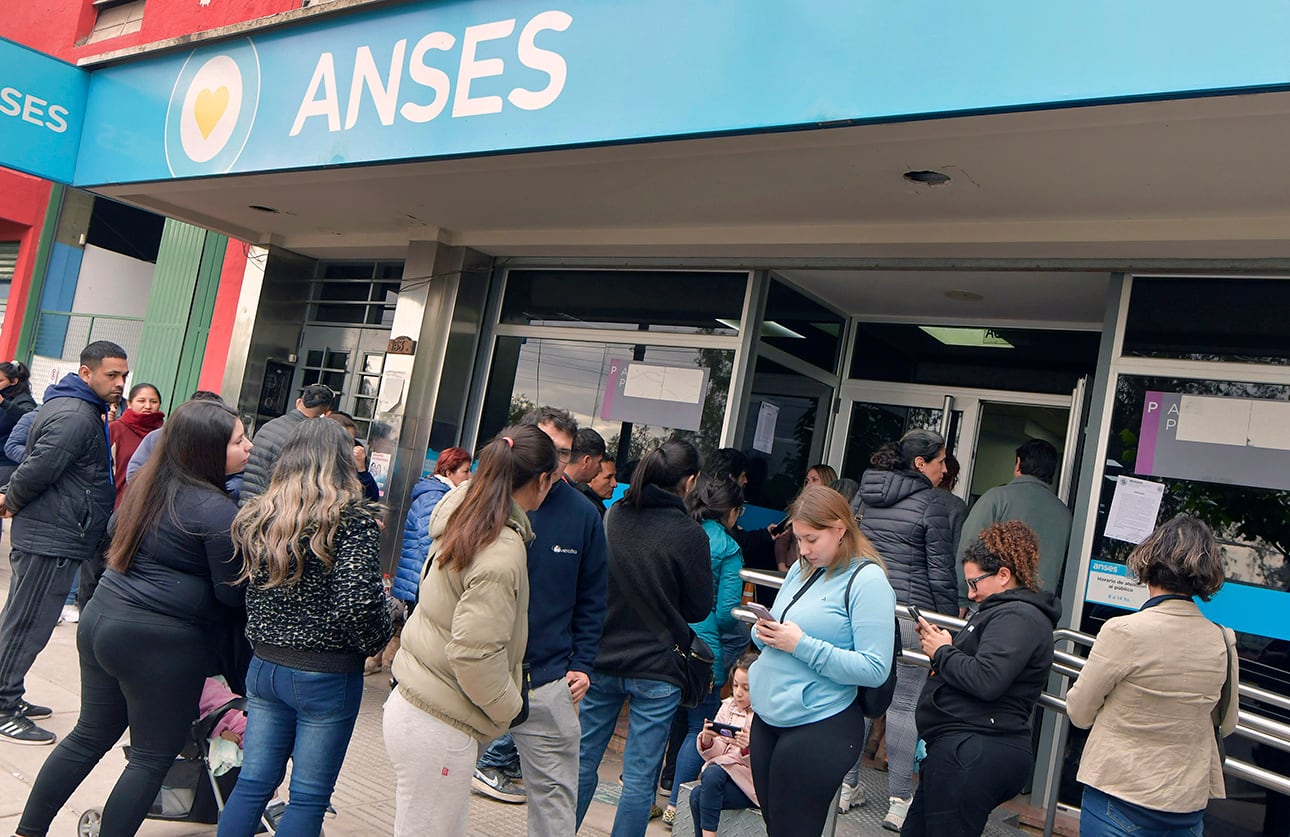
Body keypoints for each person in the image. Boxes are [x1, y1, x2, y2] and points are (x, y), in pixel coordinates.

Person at [15, 399, 251, 836]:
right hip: (158, 643)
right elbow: (231, 596)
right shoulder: (217, 512)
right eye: (238, 441)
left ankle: (28, 831)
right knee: (150, 758)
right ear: (207, 449)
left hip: (103, 622)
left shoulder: (148, 486)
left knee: (88, 735)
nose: (249, 448)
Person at [217, 418, 393, 836]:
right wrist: (377, 639)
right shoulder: (351, 519)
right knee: (309, 797)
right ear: (341, 462)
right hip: (325, 673)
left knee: (254, 782)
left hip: (265, 665)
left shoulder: (257, 514)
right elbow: (356, 601)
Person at [383, 425, 559, 837]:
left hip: (418, 706)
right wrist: (508, 708)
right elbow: (473, 653)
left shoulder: (466, 510)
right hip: (439, 721)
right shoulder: (501, 547)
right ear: (542, 480)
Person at [469, 406, 609, 837]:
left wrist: (582, 663)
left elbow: (593, 597)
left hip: (545, 679)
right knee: (442, 785)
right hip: (474, 672)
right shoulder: (478, 501)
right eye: (547, 449)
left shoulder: (584, 515)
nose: (554, 463)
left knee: (555, 803)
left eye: (564, 454)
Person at [1067, 515, 1238, 837]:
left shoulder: (1123, 631)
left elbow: (1079, 712)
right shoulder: (1222, 639)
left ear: (1149, 563)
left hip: (1120, 794)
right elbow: (1226, 724)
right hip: (1186, 802)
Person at [575, 439, 713, 837]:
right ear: (690, 481)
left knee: (582, 761)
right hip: (658, 667)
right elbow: (698, 609)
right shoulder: (690, 535)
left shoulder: (616, 514)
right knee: (639, 778)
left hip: (601, 657)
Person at [748, 485, 895, 837]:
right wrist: (765, 633)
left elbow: (875, 668)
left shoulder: (868, 579)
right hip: (771, 714)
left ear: (840, 529)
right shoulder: (804, 569)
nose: (804, 549)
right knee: (776, 827)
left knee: (792, 829)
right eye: (799, 539)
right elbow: (781, 632)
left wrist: (801, 645)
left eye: (812, 539)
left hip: (821, 720)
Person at [0, 340, 128, 745]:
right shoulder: (75, 414)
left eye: (124, 375)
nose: (120, 383)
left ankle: (8, 694)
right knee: (28, 624)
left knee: (21, 619)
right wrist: (11, 500)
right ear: (86, 373)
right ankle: (2, 706)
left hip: (53, 532)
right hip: (50, 537)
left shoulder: (77, 407)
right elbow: (38, 468)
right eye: (112, 375)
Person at [904, 521, 1061, 837]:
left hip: (975, 749)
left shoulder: (1018, 616)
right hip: (964, 747)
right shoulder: (1008, 613)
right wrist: (946, 646)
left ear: (1004, 575)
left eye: (975, 583)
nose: (972, 594)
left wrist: (943, 651)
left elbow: (987, 679)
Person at [851, 428, 957, 830]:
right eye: (941, 461)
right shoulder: (931, 504)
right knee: (903, 705)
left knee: (861, 694)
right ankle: (898, 801)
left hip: (866, 608)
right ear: (919, 463)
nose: (945, 470)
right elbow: (941, 573)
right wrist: (947, 629)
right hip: (912, 614)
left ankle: (846, 786)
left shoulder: (865, 492)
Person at [662, 476, 747, 825]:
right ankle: (673, 804)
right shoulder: (728, 547)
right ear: (733, 512)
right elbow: (728, 613)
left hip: (665, 637)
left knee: (667, 717)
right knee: (702, 724)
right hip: (702, 649)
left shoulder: (678, 530)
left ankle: (648, 788)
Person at [957, 438, 1072, 598]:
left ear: (1018, 463)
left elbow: (968, 549)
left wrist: (962, 597)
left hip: (992, 603)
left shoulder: (996, 498)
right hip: (1040, 608)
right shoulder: (1065, 515)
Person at [688, 651, 760, 837]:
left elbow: (768, 763)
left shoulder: (765, 717)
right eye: (735, 685)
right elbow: (717, 752)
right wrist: (707, 740)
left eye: (746, 688)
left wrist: (748, 749)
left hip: (752, 786)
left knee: (713, 772)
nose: (738, 692)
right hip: (724, 777)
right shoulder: (728, 706)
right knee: (696, 795)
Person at [393, 446, 472, 612]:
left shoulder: (440, 494)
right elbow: (429, 542)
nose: (470, 477)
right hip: (416, 583)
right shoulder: (433, 497)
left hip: (418, 580)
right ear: (448, 473)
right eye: (466, 471)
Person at [238, 383, 334, 504]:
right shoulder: (307, 439)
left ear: (299, 402)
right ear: (326, 414)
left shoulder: (269, 425)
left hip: (247, 501)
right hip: (272, 508)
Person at [124, 390, 224, 483]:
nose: (148, 406)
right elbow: (134, 473)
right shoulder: (160, 436)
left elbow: (235, 477)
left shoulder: (223, 442)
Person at [109, 382, 164, 508]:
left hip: (148, 507)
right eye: (141, 401)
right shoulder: (115, 429)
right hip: (115, 504)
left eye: (153, 402)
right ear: (129, 403)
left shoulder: (163, 435)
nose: (148, 406)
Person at [327, 411, 380, 502]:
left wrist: (361, 469)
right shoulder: (312, 459)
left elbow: (372, 497)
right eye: (344, 440)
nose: (348, 445)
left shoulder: (355, 458)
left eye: (351, 440)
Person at [0, 361, 37, 485]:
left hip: (8, 462)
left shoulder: (24, 401)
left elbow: (27, 418)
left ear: (13, 381)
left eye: (0, 381)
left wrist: (3, 403)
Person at [568, 427, 608, 514]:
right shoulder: (583, 506)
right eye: (599, 462)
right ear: (587, 461)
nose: (600, 469)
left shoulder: (548, 485)